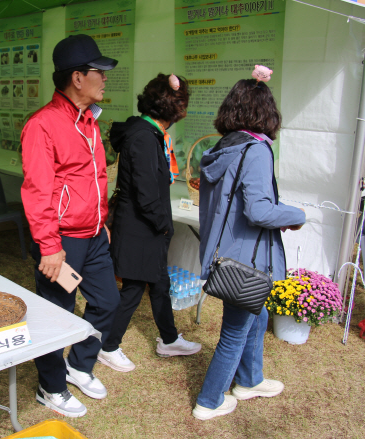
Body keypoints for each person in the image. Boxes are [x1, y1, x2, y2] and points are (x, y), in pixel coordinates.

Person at [192, 71, 306, 420]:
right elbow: (259, 210)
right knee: (236, 331)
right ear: (267, 113)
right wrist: (296, 214)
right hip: (246, 259)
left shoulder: (221, 147)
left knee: (255, 319)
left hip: (226, 253)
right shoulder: (256, 151)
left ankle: (249, 380)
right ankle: (209, 401)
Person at [20, 34, 121, 418]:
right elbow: (37, 190)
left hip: (93, 235)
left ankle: (78, 365)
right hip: (61, 240)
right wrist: (48, 245)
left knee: (107, 302)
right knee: (55, 313)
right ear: (77, 78)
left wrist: (100, 220)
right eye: (100, 71)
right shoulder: (43, 125)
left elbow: (91, 178)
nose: (105, 78)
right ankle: (51, 386)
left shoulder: (89, 120)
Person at [97, 74, 201, 373]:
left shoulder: (146, 132)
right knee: (132, 289)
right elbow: (144, 192)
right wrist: (163, 224)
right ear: (173, 110)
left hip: (146, 225)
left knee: (159, 282)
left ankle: (168, 339)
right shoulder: (143, 136)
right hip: (141, 227)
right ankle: (108, 345)